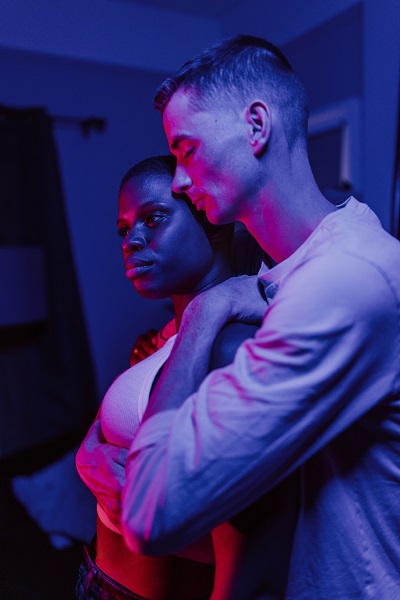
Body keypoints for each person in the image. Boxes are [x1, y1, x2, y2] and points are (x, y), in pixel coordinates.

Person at [118, 36, 400, 599]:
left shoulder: (346, 279)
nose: (178, 180)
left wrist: (204, 315)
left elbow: (151, 513)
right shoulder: (285, 272)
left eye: (186, 150)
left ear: (255, 126)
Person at [75, 154, 293, 600]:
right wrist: (86, 457)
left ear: (213, 220)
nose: (132, 241)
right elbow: (113, 431)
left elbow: (249, 560)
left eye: (153, 219)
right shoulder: (160, 340)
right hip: (96, 576)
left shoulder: (230, 347)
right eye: (123, 230)